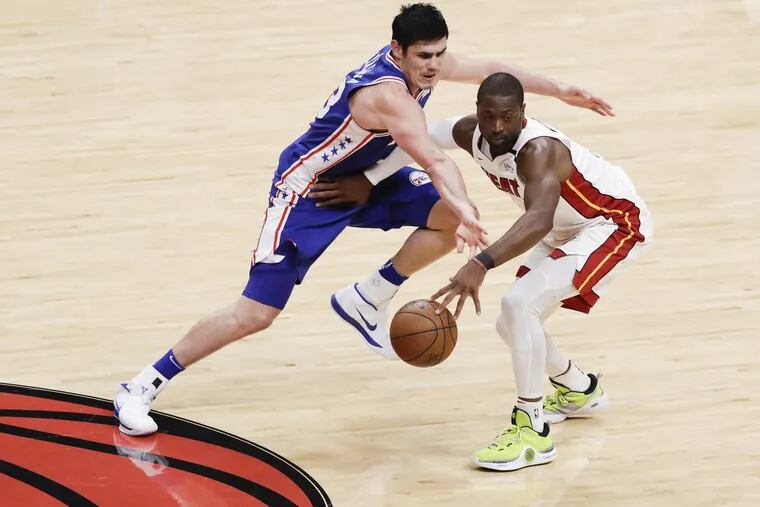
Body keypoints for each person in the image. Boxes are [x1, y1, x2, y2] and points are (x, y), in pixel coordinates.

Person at [114, 4, 613, 437]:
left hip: (366, 177)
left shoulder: (427, 66)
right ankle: (141, 386)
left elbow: (492, 69)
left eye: (440, 54)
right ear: (397, 51)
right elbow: (435, 159)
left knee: (447, 217)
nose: (434, 65)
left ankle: (368, 296)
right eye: (424, 56)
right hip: (312, 189)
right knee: (255, 314)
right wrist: (464, 208)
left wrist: (561, 89)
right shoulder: (388, 95)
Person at [319, 73, 652, 471]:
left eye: (507, 116)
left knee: (519, 305)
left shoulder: (540, 150)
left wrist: (480, 263)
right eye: (489, 115)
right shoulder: (471, 132)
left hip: (610, 224)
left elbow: (539, 219)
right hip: (565, 228)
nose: (496, 126)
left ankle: (532, 432)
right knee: (511, 323)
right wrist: (369, 179)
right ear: (477, 111)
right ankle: (579, 389)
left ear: (523, 113)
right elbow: (420, 138)